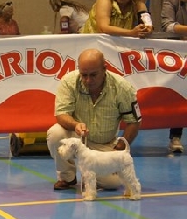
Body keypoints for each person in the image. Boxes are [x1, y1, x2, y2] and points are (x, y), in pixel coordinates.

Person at [47, 48, 142, 191]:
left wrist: (119, 149)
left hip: (105, 145)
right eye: (84, 75)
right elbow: (61, 114)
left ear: (104, 69)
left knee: (112, 183)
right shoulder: (68, 82)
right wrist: (75, 124)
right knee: (55, 134)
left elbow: (134, 122)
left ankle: (92, 177)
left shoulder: (122, 87)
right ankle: (67, 177)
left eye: (93, 75)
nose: (88, 80)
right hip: (78, 137)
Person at [160, 0, 187, 154]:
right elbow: (167, 26)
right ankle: (175, 137)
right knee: (179, 93)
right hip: (176, 56)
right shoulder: (170, 0)